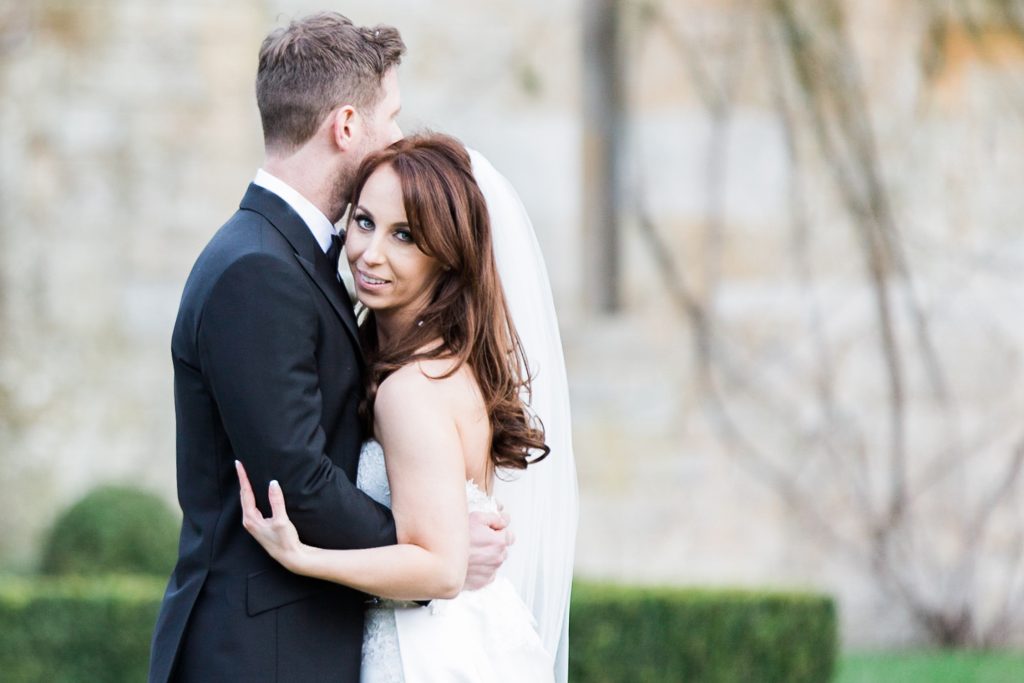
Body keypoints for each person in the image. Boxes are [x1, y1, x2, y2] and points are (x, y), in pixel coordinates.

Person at [147, 14, 512, 683]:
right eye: (390, 116)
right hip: (263, 652)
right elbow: (300, 481)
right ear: (346, 126)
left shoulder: (296, 255)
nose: (397, 136)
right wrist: (435, 552)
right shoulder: (255, 269)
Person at [236, 132, 558, 682]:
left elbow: (439, 568)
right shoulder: (430, 361)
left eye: (404, 235)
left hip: (431, 653)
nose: (369, 253)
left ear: (447, 257)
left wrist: (302, 557)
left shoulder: (410, 388)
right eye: (363, 222)